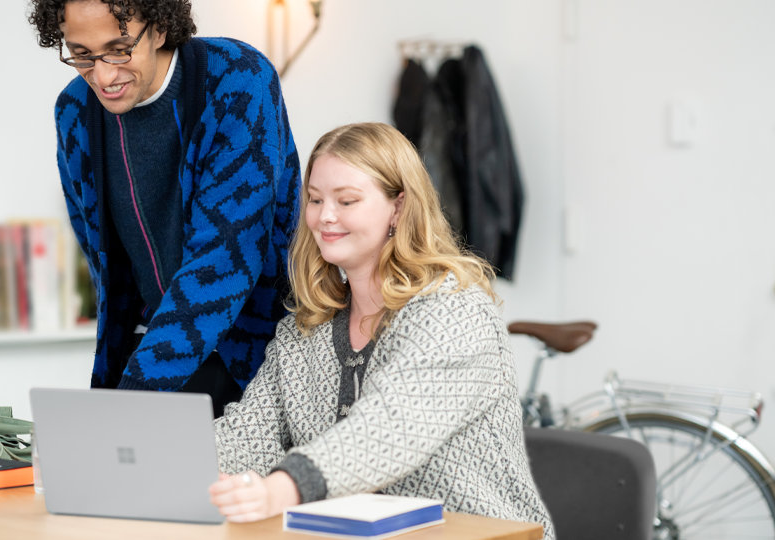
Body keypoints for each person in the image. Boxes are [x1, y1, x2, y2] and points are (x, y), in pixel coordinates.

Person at [207, 123, 555, 538]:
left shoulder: (455, 310)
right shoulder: (304, 332)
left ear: (399, 207)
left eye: (347, 200)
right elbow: (247, 437)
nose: (325, 217)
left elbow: (391, 427)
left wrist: (284, 488)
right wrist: (181, 469)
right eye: (315, 200)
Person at [27, 0, 300, 416]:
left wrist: (135, 394)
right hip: (150, 343)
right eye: (81, 54)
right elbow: (101, 254)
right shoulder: (75, 112)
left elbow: (224, 260)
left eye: (119, 48)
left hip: (254, 348)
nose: (102, 75)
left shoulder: (238, 78)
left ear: (158, 29)